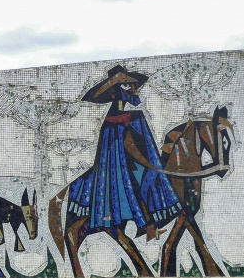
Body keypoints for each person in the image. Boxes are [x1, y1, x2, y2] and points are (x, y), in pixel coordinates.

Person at [67, 65, 182, 240]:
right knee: (127, 184)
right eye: (125, 84)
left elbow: (142, 137)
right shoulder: (112, 111)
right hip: (114, 158)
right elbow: (93, 101)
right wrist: (113, 81)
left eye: (131, 85)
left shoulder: (135, 108)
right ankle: (143, 224)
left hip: (134, 156)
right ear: (116, 88)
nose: (131, 88)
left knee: (148, 180)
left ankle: (148, 223)